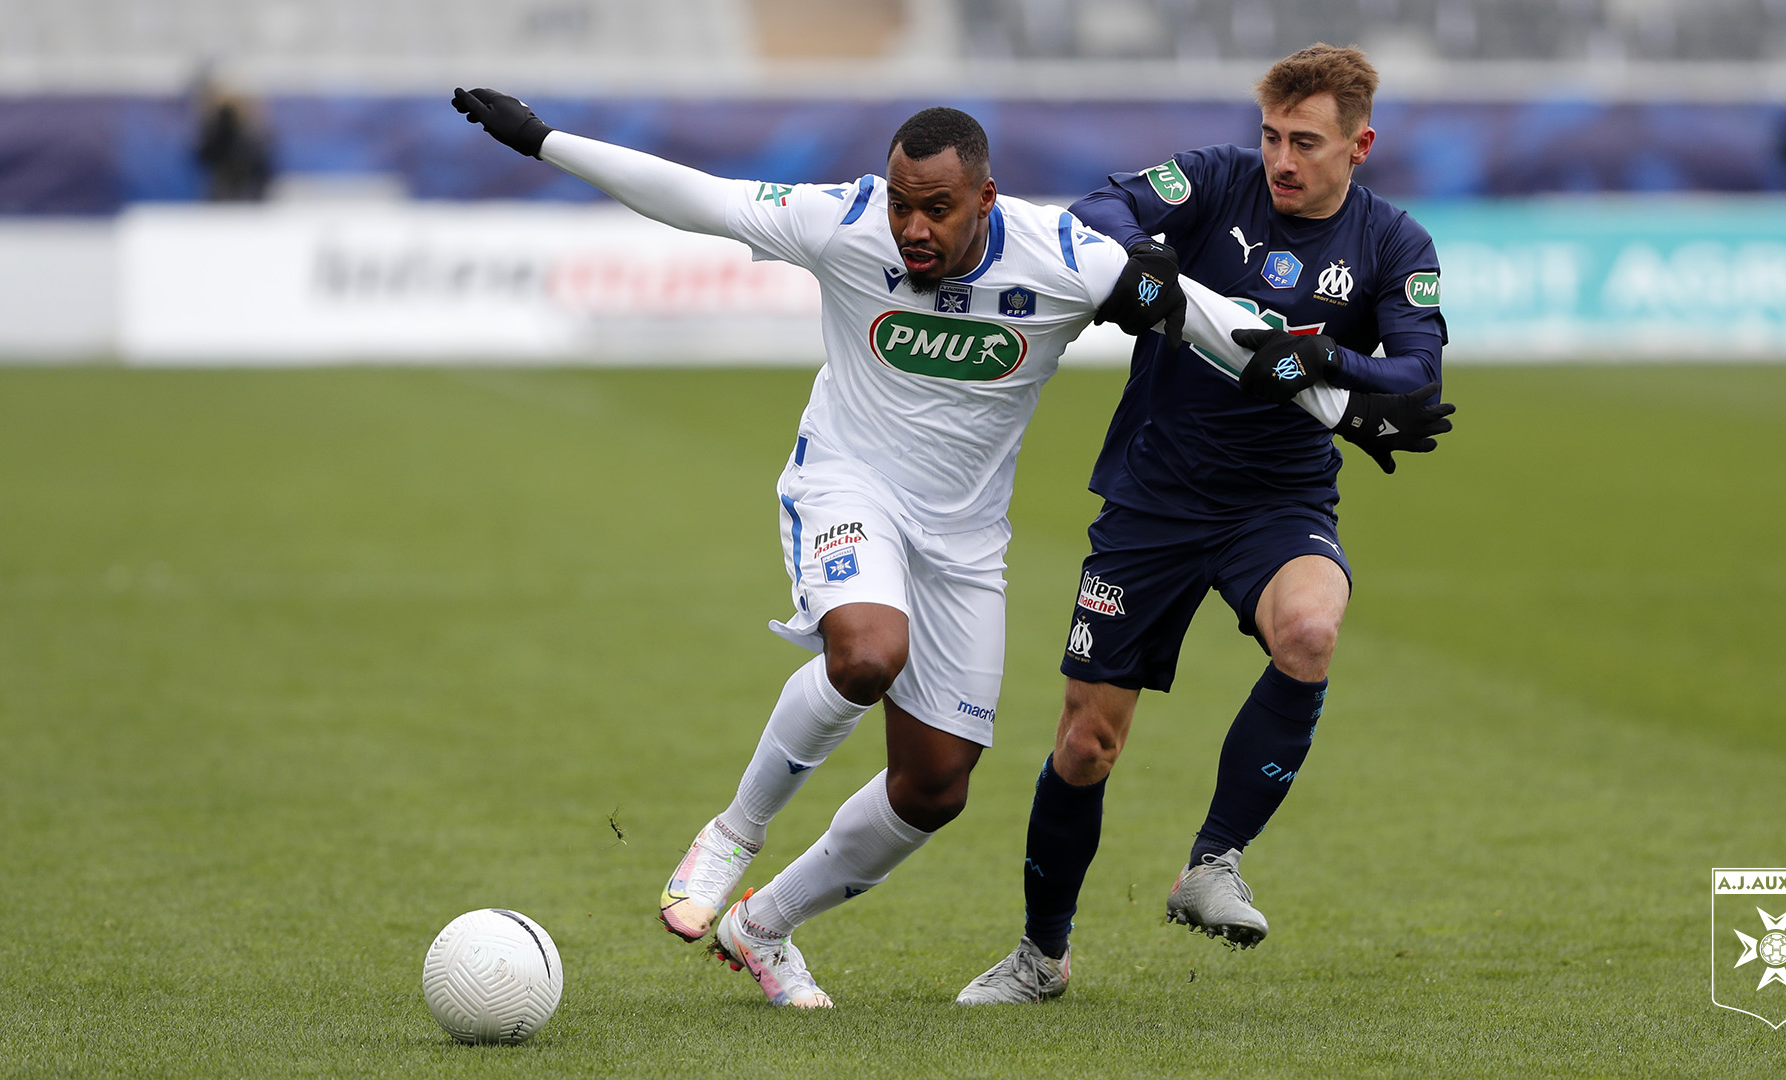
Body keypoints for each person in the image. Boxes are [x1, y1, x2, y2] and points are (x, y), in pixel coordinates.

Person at [452, 88, 1449, 1008]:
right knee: (866, 653)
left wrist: (1351, 408)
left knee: (936, 787)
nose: (914, 228)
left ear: (986, 198)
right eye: (902, 205)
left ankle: (766, 925)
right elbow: (695, 197)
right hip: (848, 486)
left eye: (937, 209)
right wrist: (543, 139)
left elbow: (1221, 329)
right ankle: (732, 835)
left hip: (966, 542)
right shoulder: (842, 223)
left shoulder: (1062, 258)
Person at [958, 44, 1451, 1004]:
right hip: (1154, 500)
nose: (1281, 158)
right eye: (1271, 135)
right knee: (1085, 742)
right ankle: (1041, 954)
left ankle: (1212, 863)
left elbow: (1417, 374)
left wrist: (1311, 362)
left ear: (1360, 145)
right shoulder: (1218, 182)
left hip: (1281, 503)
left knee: (1310, 630)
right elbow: (1096, 212)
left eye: (1305, 142)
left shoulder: (1394, 244)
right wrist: (1139, 253)